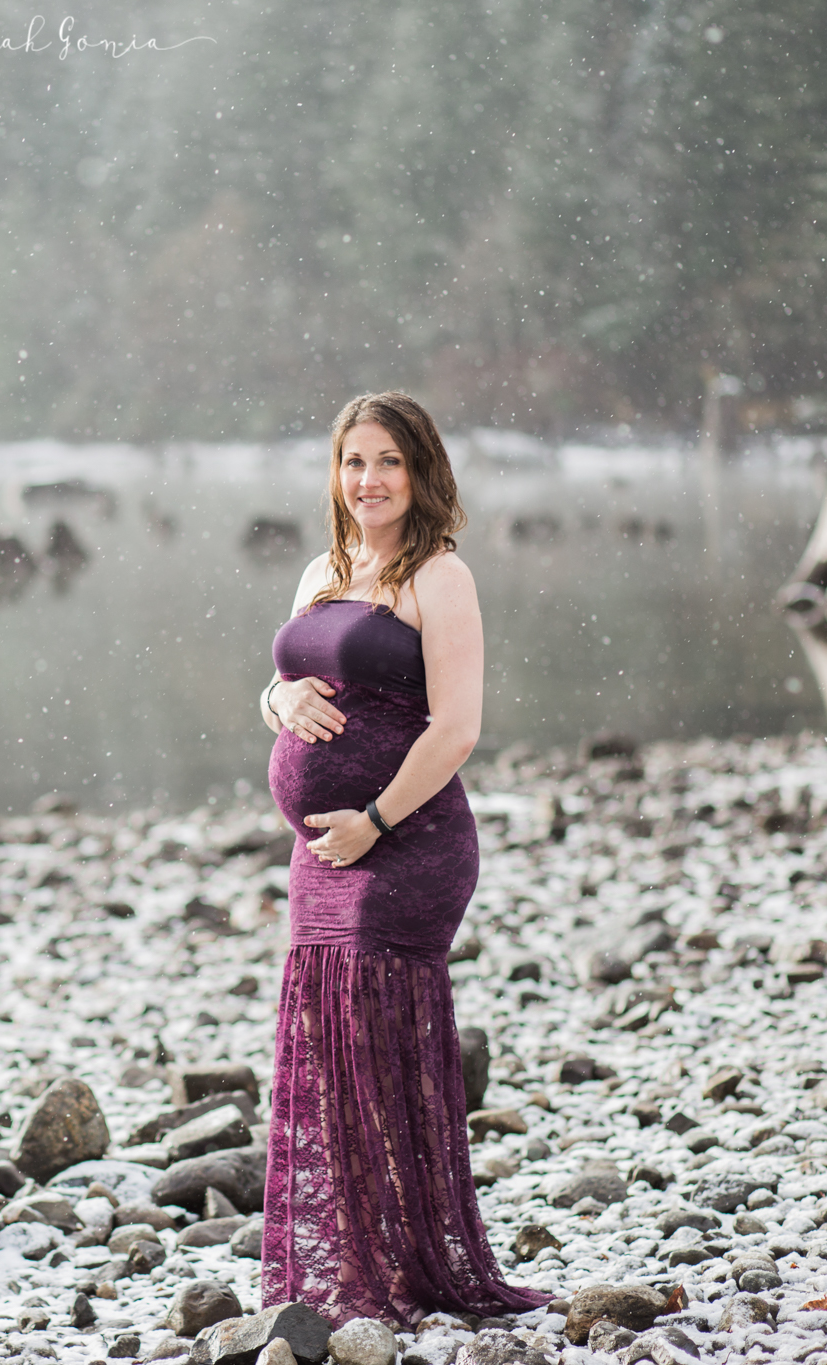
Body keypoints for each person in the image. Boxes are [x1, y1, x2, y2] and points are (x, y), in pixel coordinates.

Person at [256, 392, 551, 1327]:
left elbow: (458, 726)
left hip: (408, 841)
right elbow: (286, 680)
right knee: (331, 1052)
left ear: (420, 471)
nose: (368, 480)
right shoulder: (323, 568)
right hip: (323, 854)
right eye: (353, 462)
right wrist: (277, 702)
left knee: (381, 1051)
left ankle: (409, 1264)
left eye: (387, 461)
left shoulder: (440, 576)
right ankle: (348, 1265)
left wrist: (374, 821)